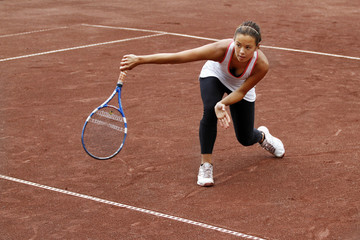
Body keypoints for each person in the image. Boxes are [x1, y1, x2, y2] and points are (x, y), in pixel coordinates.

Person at [120, 21, 285, 187]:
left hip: (240, 87)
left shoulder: (261, 65)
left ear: (258, 47)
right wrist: (140, 59)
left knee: (245, 137)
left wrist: (222, 103)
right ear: (233, 41)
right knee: (209, 111)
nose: (241, 51)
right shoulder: (221, 49)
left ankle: (262, 136)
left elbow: (241, 92)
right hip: (215, 76)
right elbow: (181, 56)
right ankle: (206, 165)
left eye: (248, 47)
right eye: (238, 45)